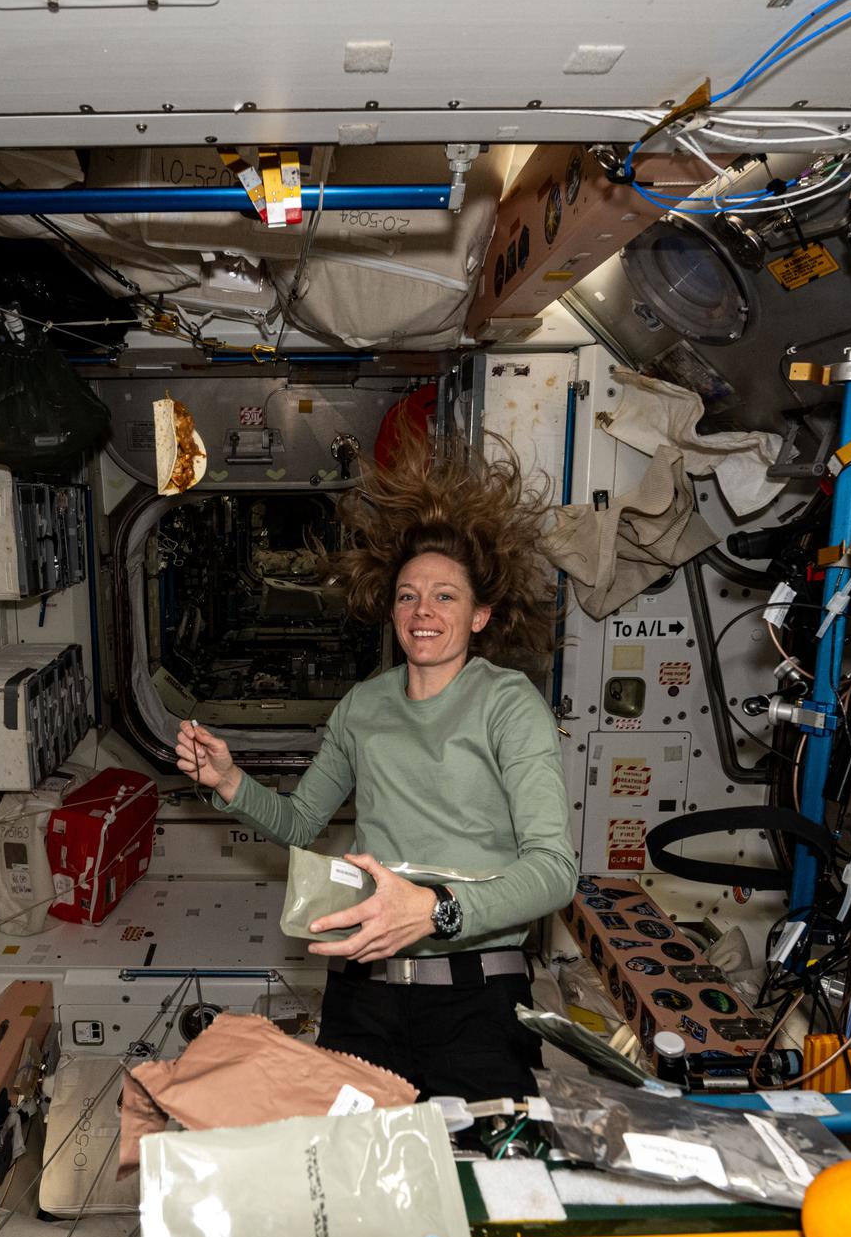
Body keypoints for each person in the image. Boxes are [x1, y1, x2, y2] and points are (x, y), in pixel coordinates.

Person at [175, 436, 575, 1100]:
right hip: (364, 994)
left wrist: (438, 911)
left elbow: (553, 871)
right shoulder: (364, 705)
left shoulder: (508, 704)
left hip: (475, 996)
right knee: (353, 1181)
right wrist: (230, 782)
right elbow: (302, 822)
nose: (423, 612)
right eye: (409, 596)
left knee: (479, 1182)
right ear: (389, 609)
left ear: (481, 615)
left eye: (446, 597)